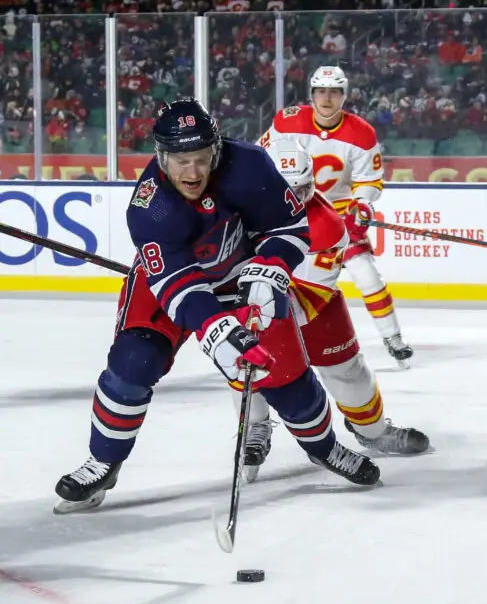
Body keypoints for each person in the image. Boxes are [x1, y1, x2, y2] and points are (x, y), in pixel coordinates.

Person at [55, 99, 380, 514]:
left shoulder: (249, 165)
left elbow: (290, 226)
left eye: (202, 159)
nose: (192, 173)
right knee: (133, 361)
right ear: (161, 156)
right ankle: (104, 460)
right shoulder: (150, 207)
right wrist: (216, 329)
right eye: (180, 161)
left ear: (216, 150)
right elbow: (179, 287)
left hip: (245, 279)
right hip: (174, 287)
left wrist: (271, 268)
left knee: (288, 381)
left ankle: (324, 448)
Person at [241, 144, 430, 480]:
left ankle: (373, 431)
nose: (295, 199)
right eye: (287, 189)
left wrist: (260, 296)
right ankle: (256, 426)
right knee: (244, 359)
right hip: (259, 302)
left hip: (312, 308)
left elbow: (308, 299)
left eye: (301, 189)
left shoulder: (327, 226)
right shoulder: (240, 207)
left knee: (349, 374)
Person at [258, 66, 413, 366]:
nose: (326, 98)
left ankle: (393, 338)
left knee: (367, 275)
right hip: (289, 214)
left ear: (344, 96)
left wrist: (362, 206)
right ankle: (271, 341)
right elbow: (262, 157)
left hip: (338, 218)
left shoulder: (362, 133)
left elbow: (370, 181)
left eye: (333, 92)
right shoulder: (287, 121)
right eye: (320, 91)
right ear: (311, 94)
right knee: (277, 278)